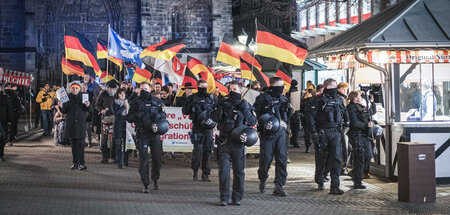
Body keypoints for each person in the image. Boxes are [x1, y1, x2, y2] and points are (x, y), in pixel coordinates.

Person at [211, 81, 257, 206]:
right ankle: (224, 198)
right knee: (224, 172)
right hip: (224, 142)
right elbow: (214, 117)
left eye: (235, 89)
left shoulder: (245, 105)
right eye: (230, 89)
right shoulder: (223, 103)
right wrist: (219, 108)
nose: (232, 91)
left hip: (238, 143)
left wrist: (245, 110)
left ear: (240, 91)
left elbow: (253, 121)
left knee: (239, 172)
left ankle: (237, 197)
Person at [305, 78, 349, 195]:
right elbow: (310, 118)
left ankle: (335, 186)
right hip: (322, 132)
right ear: (327, 87)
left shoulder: (339, 100)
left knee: (336, 159)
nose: (334, 89)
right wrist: (314, 133)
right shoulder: (318, 100)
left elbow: (345, 114)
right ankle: (320, 180)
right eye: (333, 86)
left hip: (336, 132)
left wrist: (343, 127)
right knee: (321, 158)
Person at [254, 77, 293, 197]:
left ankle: (279, 186)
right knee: (266, 159)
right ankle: (263, 178)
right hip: (268, 133)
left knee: (282, 159)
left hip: (281, 133)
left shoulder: (283, 98)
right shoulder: (262, 98)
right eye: (280, 85)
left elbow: (288, 113)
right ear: (273, 85)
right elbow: (256, 115)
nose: (282, 88)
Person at [127, 82, 166, 193]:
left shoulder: (157, 102)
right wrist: (137, 115)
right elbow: (129, 118)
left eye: (146, 88)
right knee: (143, 159)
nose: (144, 90)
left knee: (157, 159)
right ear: (139, 90)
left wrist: (158, 116)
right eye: (142, 88)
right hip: (142, 133)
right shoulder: (135, 102)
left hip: (154, 134)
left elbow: (164, 115)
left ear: (150, 89)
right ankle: (146, 184)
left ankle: (155, 178)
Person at [182, 79, 217, 182]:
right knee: (197, 152)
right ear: (197, 87)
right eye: (201, 87)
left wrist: (214, 123)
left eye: (205, 86)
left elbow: (216, 112)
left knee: (207, 151)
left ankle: (205, 174)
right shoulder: (192, 98)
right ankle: (195, 172)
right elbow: (185, 111)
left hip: (208, 128)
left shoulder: (212, 98)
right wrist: (191, 104)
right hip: (197, 127)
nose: (203, 88)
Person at [346, 91, 376, 189]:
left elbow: (371, 113)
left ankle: (356, 174)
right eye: (356, 97)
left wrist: (371, 102)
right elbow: (354, 123)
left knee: (368, 155)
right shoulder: (351, 108)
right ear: (351, 98)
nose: (358, 99)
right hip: (356, 135)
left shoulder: (361, 106)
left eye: (359, 97)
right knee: (360, 157)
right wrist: (366, 125)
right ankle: (357, 180)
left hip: (364, 135)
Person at [58, 82, 90, 170]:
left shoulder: (83, 97)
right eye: (73, 88)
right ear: (70, 89)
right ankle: (75, 163)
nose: (74, 90)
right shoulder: (67, 97)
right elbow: (64, 111)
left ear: (79, 89)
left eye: (76, 88)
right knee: (74, 146)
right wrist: (60, 106)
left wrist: (88, 106)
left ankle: (82, 163)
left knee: (81, 146)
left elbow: (88, 110)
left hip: (80, 125)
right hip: (71, 125)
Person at [95, 80, 118, 164]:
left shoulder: (118, 94)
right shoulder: (103, 94)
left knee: (114, 138)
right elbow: (97, 105)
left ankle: (114, 157)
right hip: (105, 118)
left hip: (116, 118)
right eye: (109, 88)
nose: (111, 90)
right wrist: (101, 110)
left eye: (113, 88)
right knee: (104, 139)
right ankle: (105, 157)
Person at [112, 89, 128, 169]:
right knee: (118, 145)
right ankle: (119, 162)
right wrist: (123, 107)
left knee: (126, 145)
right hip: (118, 125)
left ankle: (125, 161)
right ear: (118, 95)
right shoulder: (115, 102)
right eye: (120, 94)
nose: (122, 96)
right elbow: (116, 113)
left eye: (123, 94)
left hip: (126, 125)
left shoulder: (127, 102)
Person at [337, 82, 350, 175]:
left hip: (342, 126)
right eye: (344, 89)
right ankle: (342, 167)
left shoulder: (343, 98)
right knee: (344, 147)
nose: (345, 91)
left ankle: (342, 166)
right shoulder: (341, 98)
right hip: (341, 127)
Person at [300, 88, 315, 153]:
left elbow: (301, 109)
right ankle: (309, 146)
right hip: (309, 119)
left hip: (307, 119)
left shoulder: (305, 101)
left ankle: (308, 146)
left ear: (310, 93)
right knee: (309, 133)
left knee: (307, 134)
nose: (305, 94)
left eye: (307, 93)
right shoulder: (305, 101)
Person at [0, 83, 12, 161]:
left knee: (3, 138)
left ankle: (1, 154)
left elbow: (9, 109)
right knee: (2, 136)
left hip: (3, 120)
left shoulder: (4, 97)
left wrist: (9, 120)